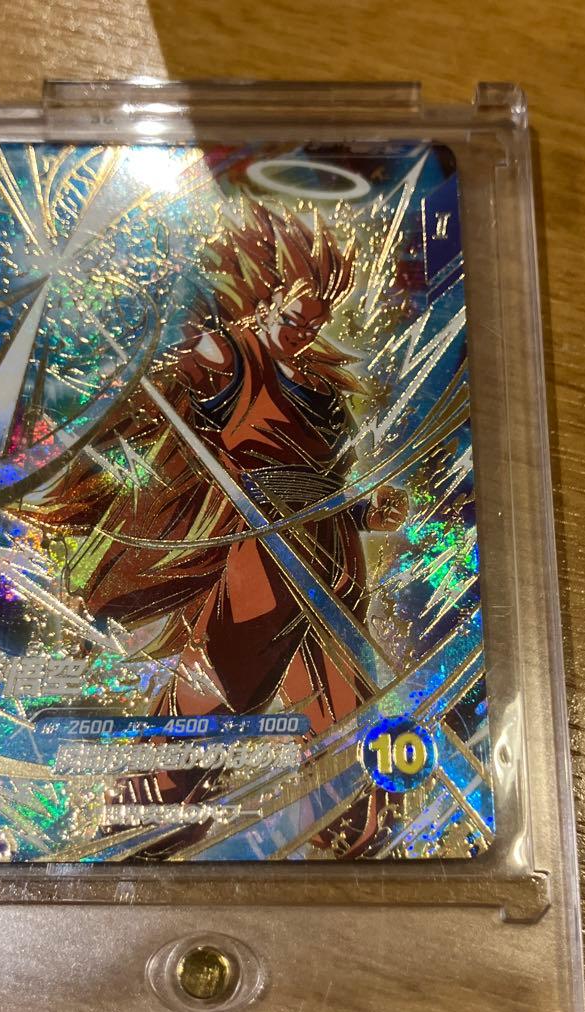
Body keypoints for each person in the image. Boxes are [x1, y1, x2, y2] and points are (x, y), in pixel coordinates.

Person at [21, 202, 407, 857]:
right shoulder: (232, 356)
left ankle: (357, 836)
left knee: (345, 700)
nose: (304, 332)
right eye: (295, 316)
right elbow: (169, 359)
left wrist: (369, 514)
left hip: (331, 554)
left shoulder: (320, 387)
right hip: (265, 556)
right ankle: (142, 816)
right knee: (225, 690)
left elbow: (323, 485)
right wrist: (157, 331)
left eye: (316, 322)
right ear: (267, 299)